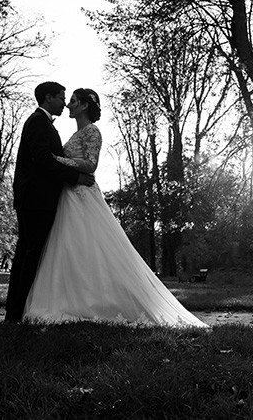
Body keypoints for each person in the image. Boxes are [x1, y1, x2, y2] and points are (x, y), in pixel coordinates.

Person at [23, 88, 207, 328]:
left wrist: (57, 160)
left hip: (83, 195)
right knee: (73, 249)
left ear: (84, 106)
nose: (68, 105)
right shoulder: (76, 133)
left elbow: (90, 165)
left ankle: (101, 301)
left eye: (73, 101)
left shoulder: (92, 131)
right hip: (68, 196)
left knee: (93, 247)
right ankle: (72, 297)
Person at [5, 82, 95, 323]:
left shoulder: (43, 124)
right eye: (61, 98)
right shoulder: (38, 123)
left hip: (39, 198)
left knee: (29, 254)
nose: (64, 103)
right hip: (36, 199)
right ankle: (14, 313)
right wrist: (76, 176)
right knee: (29, 255)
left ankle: (17, 311)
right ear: (48, 98)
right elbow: (44, 161)